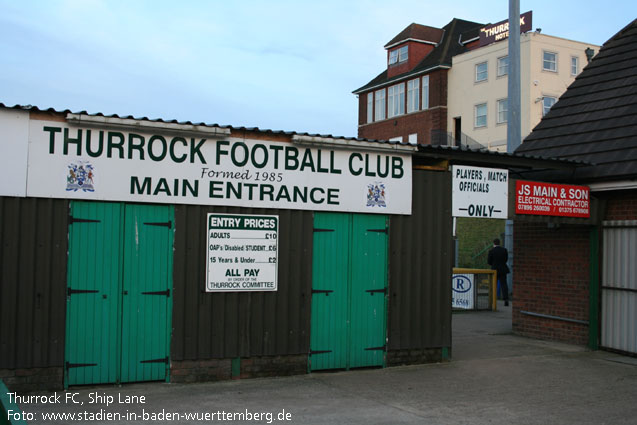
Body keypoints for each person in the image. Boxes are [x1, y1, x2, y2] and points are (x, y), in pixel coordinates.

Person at [488, 238, 510, 306]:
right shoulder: (504, 250)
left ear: (493, 243)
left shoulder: (491, 251)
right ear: (499, 243)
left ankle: (492, 299)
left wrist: (494, 264)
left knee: (493, 284)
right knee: (504, 285)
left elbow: (489, 261)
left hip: (494, 269)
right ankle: (506, 299)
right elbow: (506, 259)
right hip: (503, 269)